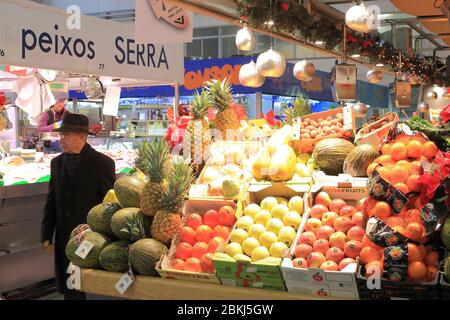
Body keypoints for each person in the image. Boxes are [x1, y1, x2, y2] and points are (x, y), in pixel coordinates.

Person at [41, 114, 116, 300]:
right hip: (64, 236)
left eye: (67, 134)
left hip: (91, 238)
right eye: (61, 134)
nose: (62, 138)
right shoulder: (56, 163)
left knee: (89, 288)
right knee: (70, 289)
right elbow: (51, 201)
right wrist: (46, 235)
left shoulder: (103, 164)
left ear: (82, 136)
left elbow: (110, 205)